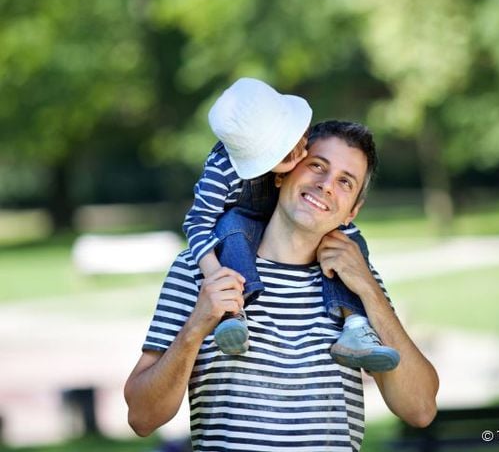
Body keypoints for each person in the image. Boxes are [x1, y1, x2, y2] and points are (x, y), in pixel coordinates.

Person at [125, 120, 439, 451]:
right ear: (282, 171)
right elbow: (142, 418)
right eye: (317, 165)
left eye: (345, 182)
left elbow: (419, 409)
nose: (326, 185)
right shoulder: (202, 268)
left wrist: (370, 290)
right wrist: (196, 327)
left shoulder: (356, 285)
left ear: (353, 211)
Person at [182, 78, 399, 371]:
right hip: (243, 228)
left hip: (293, 219)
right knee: (230, 224)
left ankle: (355, 323)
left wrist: (367, 286)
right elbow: (197, 221)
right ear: (270, 168)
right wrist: (214, 274)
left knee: (349, 242)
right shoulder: (221, 172)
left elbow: (419, 411)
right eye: (286, 154)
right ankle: (233, 314)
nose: (299, 152)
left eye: (298, 139)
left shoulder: (291, 146)